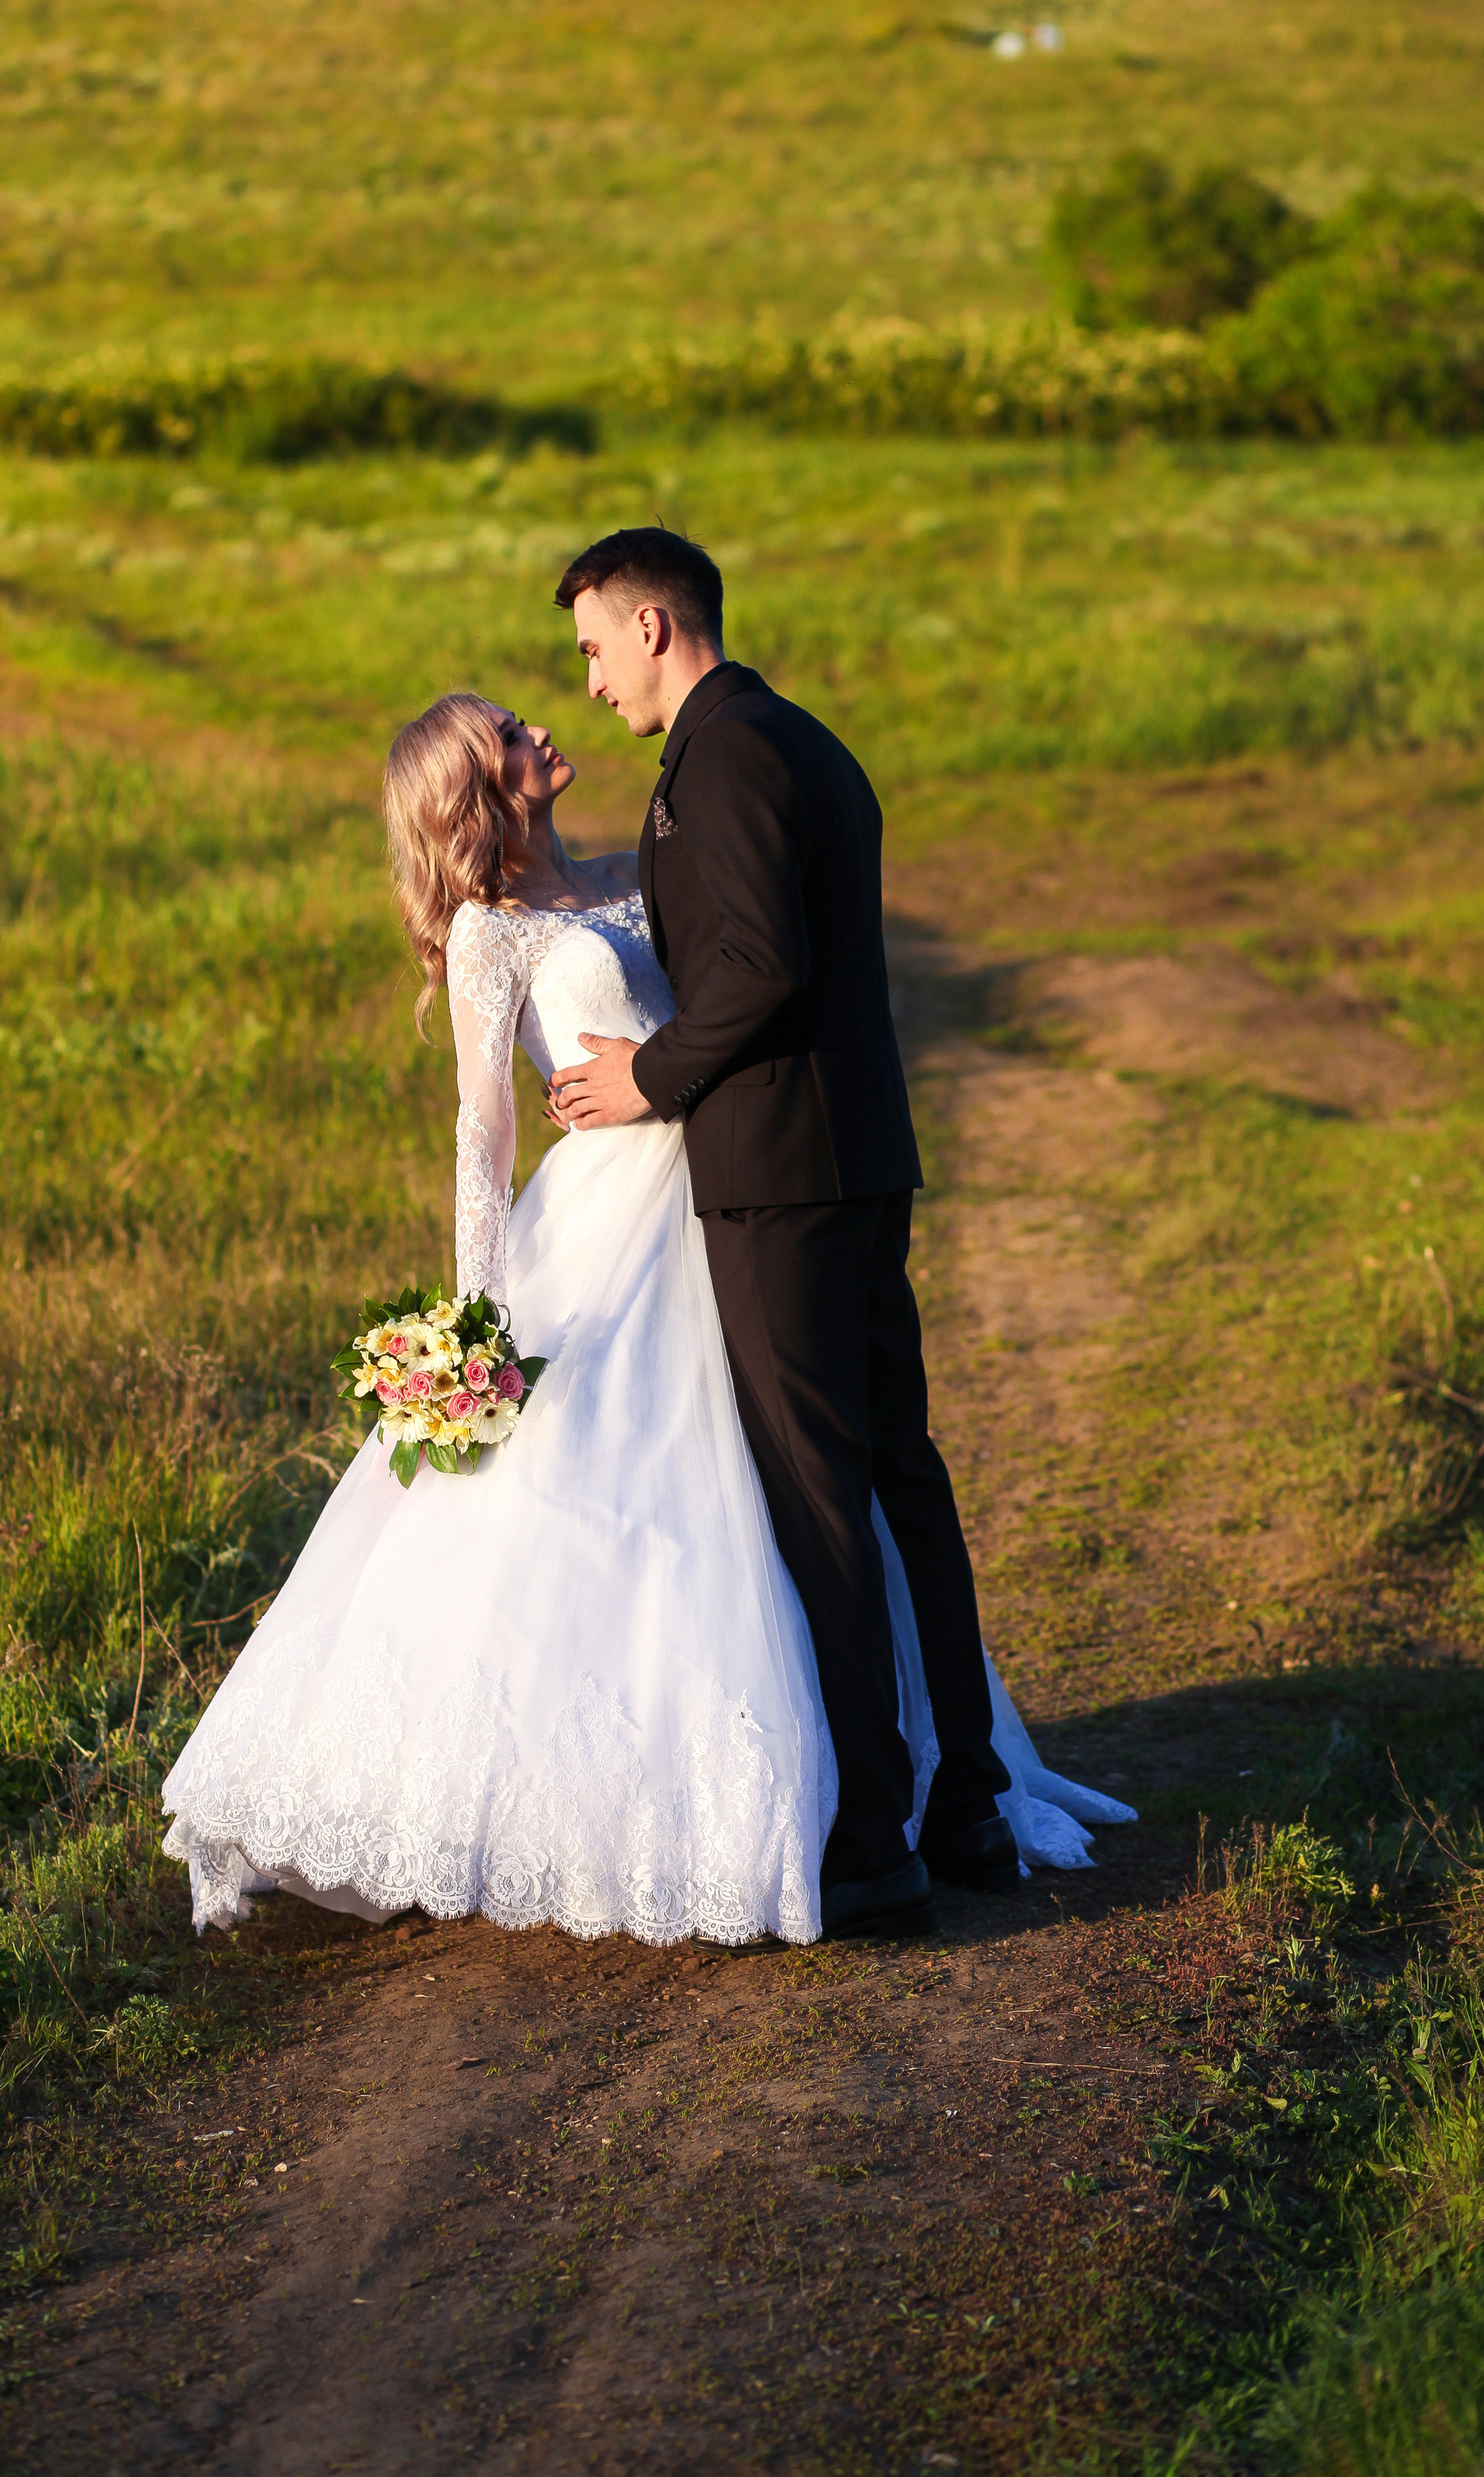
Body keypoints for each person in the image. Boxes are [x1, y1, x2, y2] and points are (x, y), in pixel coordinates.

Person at [160, 670, 1132, 1946]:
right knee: (632, 1503)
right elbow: (481, 1130)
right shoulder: (491, 933)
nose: (542, 727)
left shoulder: (634, 869)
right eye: (510, 735)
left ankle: (883, 1772)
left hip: (731, 1185)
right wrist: (478, 1321)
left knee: (799, 1473)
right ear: (473, 791)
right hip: (608, 1226)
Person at [547, 529, 1020, 1936]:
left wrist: (648, 1076)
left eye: (592, 648)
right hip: (851, 1158)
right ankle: (966, 1797)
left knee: (822, 1494)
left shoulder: (726, 758)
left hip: (779, 1175)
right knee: (898, 1472)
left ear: (652, 625)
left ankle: (871, 1838)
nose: (590, 683)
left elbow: (756, 968)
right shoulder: (802, 740)